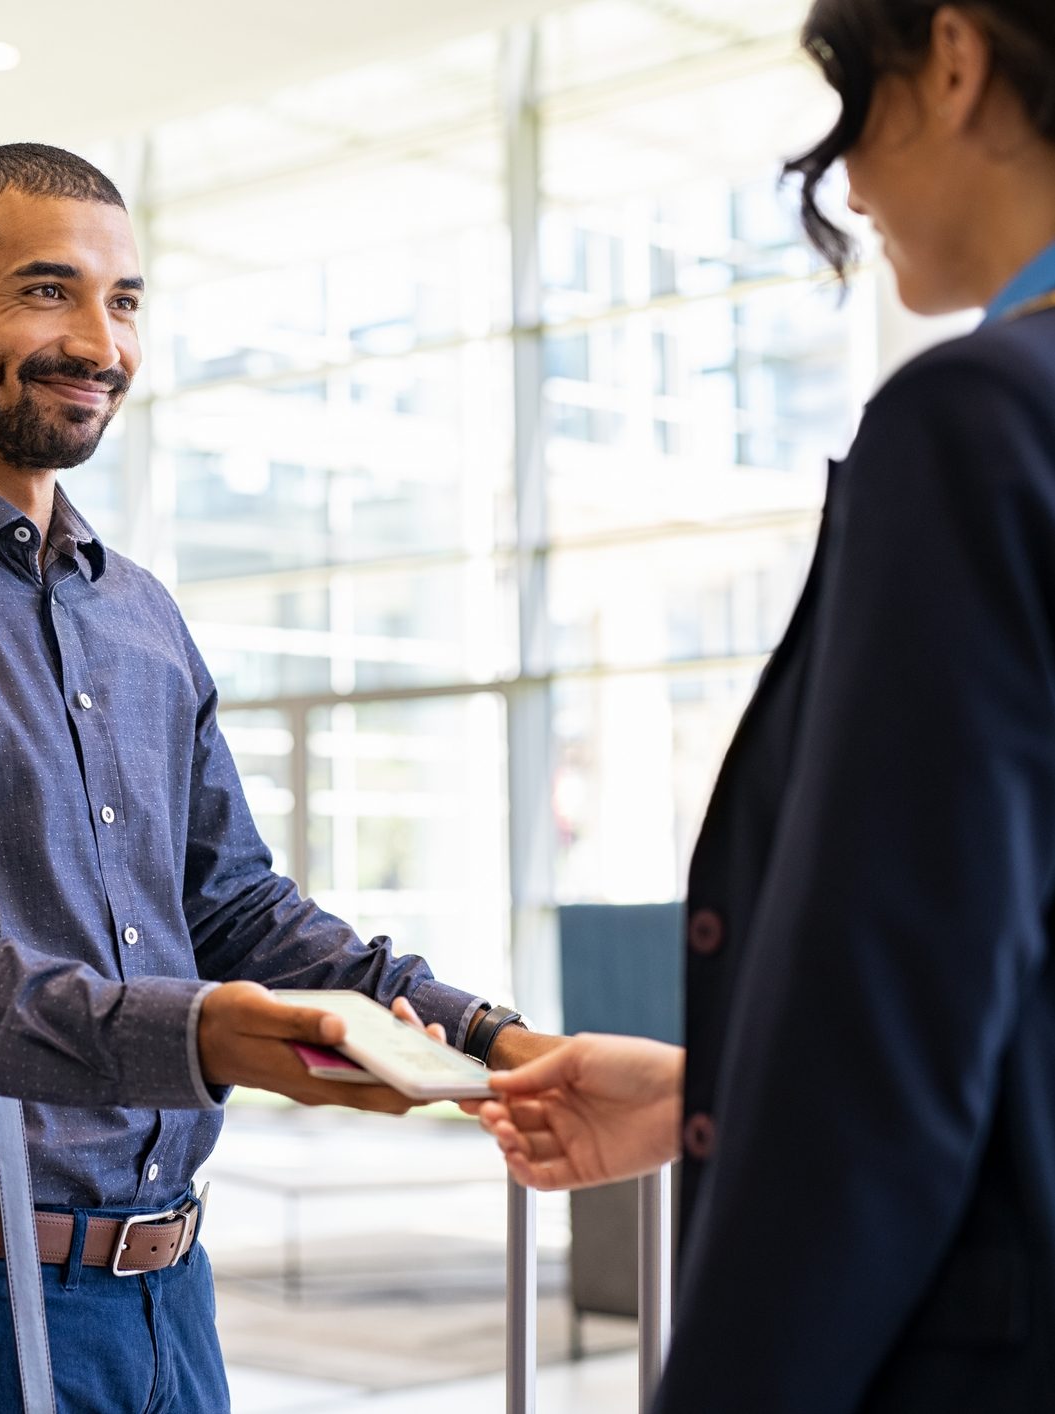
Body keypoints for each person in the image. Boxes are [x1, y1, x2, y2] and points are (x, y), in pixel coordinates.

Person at [0, 143, 561, 1413]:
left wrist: (491, 1036)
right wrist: (195, 1034)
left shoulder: (141, 613)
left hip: (173, 1291)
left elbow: (235, 908)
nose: (97, 342)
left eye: (124, 302)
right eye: (46, 292)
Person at [474, 4, 1055, 1410]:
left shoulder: (979, 425)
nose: (846, 181)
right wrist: (706, 1088)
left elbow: (891, 1030)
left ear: (958, 59)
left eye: (855, 103)